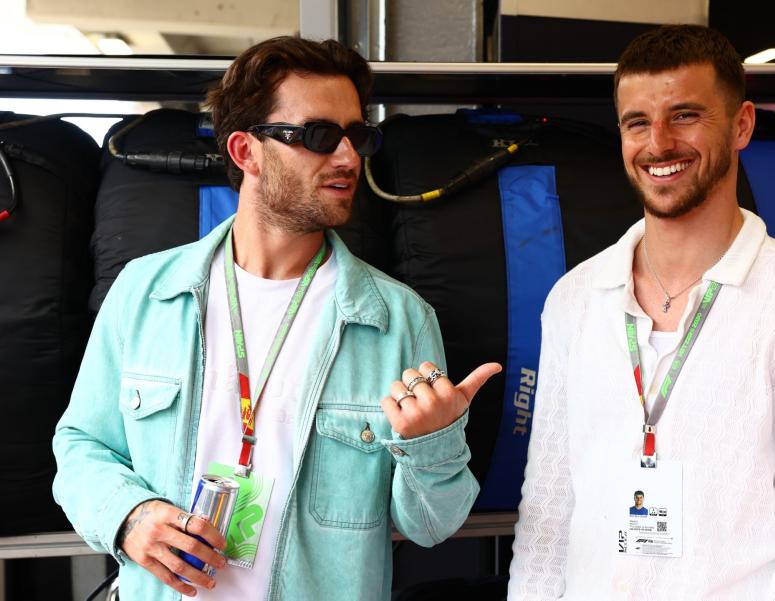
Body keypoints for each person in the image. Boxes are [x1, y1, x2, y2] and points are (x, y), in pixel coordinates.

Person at [52, 36, 499, 601]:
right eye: (318, 136)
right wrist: (130, 516)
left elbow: (429, 527)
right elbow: (81, 445)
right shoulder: (145, 292)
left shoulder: (396, 319)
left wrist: (434, 444)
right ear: (246, 152)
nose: (348, 157)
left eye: (357, 136)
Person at [508, 25, 775, 600]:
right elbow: (549, 516)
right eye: (637, 122)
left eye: (684, 115)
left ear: (742, 125)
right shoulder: (576, 300)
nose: (658, 143)